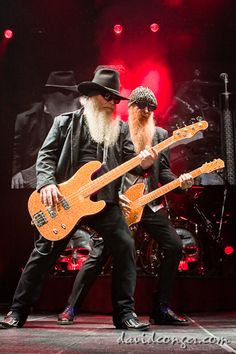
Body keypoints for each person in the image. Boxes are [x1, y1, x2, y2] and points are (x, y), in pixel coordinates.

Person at [0, 68, 158, 331]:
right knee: (43, 253)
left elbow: (133, 164)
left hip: (103, 202)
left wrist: (145, 164)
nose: (113, 103)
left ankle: (125, 314)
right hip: (66, 199)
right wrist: (47, 183)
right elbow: (46, 156)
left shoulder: (119, 129)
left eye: (116, 99)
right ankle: (17, 311)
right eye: (108, 96)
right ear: (92, 95)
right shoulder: (65, 122)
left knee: (124, 246)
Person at [57, 86, 194, 326]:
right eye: (140, 105)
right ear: (130, 107)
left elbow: (162, 171)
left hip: (148, 203)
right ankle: (71, 306)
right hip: (119, 202)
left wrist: (181, 182)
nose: (146, 110)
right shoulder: (117, 131)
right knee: (100, 254)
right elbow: (106, 168)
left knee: (174, 246)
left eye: (151, 107)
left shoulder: (160, 135)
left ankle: (160, 307)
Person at [11, 70, 80, 189]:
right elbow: (15, 148)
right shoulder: (27, 119)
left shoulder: (78, 119)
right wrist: (15, 172)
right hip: (31, 180)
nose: (47, 109)